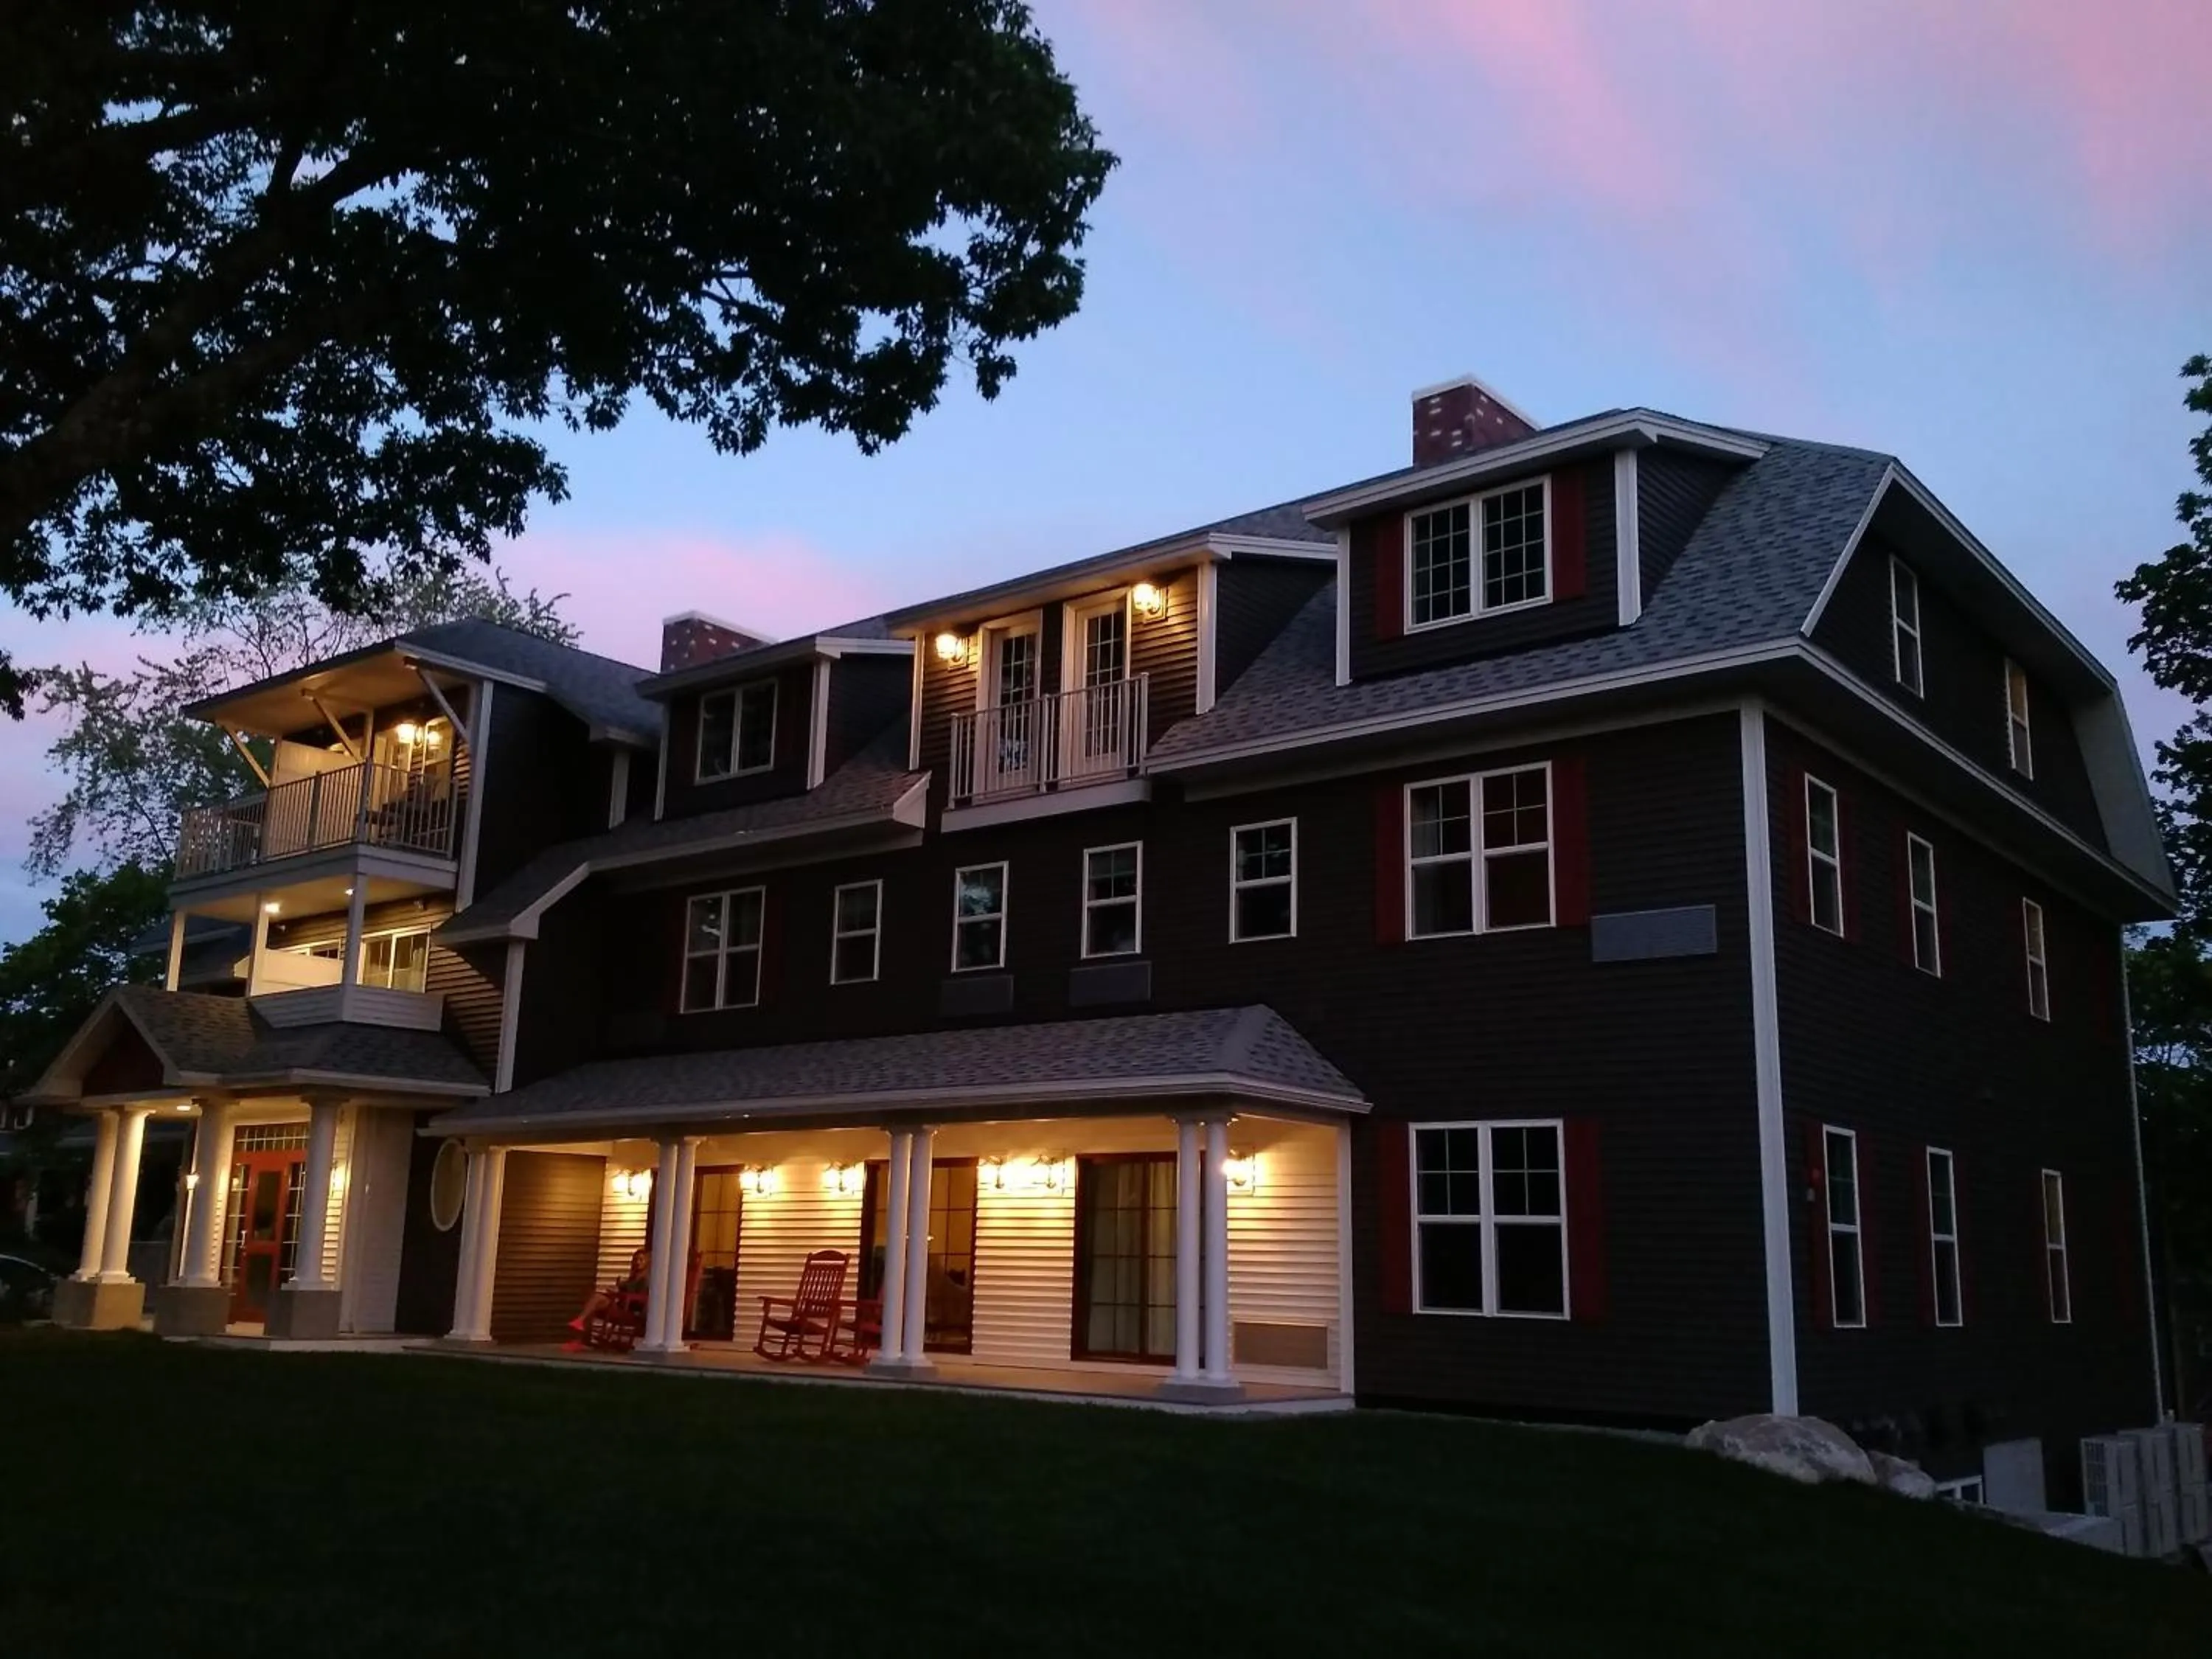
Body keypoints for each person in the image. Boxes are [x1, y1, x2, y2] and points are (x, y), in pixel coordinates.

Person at [571, 1247, 650, 1332]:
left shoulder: (646, 1280)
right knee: (594, 1301)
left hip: (630, 1312)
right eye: (636, 1260)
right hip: (620, 1307)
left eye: (641, 1260)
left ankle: (580, 1323)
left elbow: (638, 1297)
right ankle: (582, 1329)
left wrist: (619, 1293)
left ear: (647, 1262)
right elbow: (622, 1288)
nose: (638, 1262)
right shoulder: (633, 1278)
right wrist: (615, 1289)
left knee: (597, 1298)